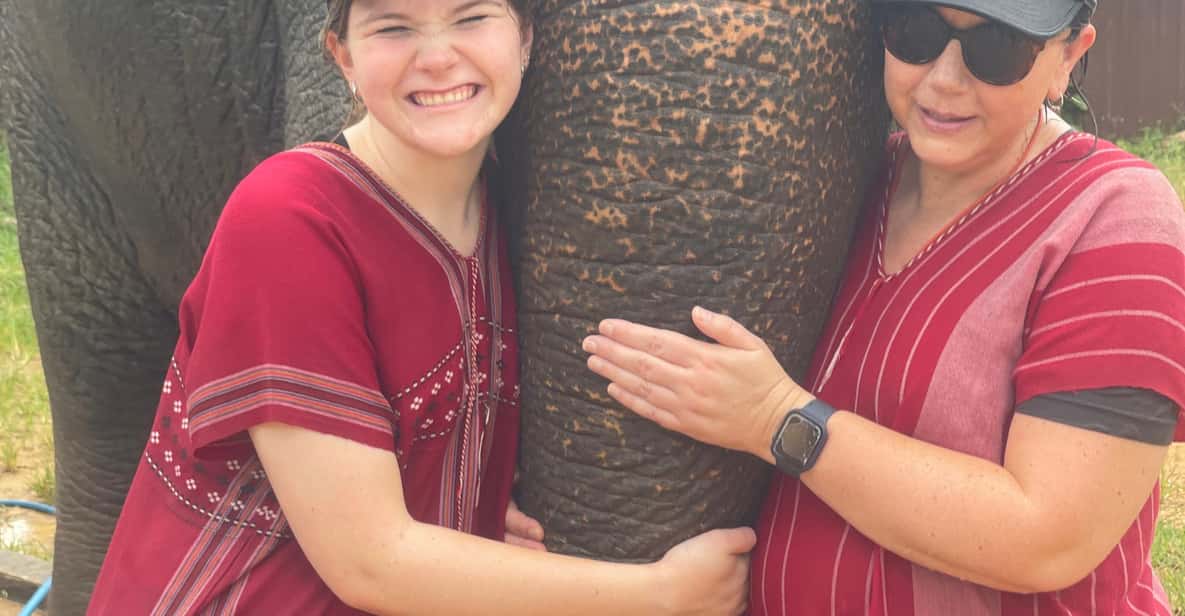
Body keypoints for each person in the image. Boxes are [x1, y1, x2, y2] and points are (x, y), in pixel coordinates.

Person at [86, 1, 756, 614]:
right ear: (343, 57)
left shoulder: (509, 216)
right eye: (393, 27)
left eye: (471, 17)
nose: (436, 57)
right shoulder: (288, 219)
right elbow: (371, 561)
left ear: (525, 38)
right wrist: (661, 595)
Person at [583, 1, 1185, 614]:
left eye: (997, 50)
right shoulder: (847, 180)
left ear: (1068, 58)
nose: (944, 80)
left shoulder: (1115, 217)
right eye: (914, 31)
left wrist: (776, 420)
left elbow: (1048, 539)